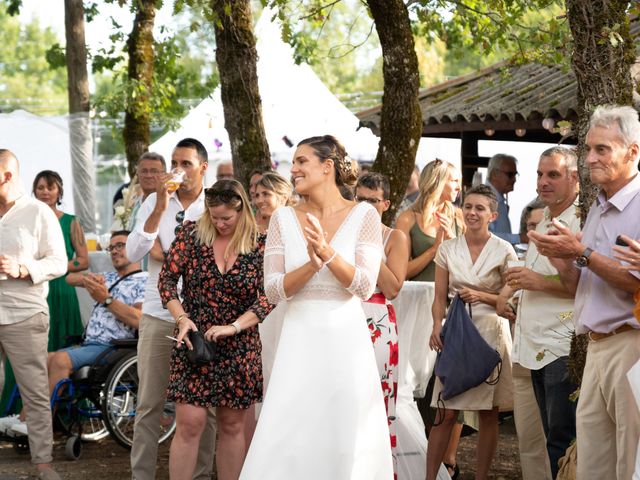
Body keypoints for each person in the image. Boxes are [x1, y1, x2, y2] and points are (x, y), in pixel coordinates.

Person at [241, 135, 393, 479]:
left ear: (327, 167)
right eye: (293, 162)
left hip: (346, 341)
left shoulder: (364, 215)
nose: (293, 169)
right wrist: (311, 264)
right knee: (290, 428)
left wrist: (328, 253)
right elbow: (273, 289)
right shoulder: (283, 218)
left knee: (345, 432)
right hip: (298, 339)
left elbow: (365, 285)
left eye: (301, 161)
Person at [528, 105, 640, 480]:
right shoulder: (596, 206)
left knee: (629, 461)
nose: (590, 158)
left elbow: (635, 284)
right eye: (589, 148)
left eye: (602, 149)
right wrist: (561, 257)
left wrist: (582, 253)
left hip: (631, 345)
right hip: (595, 346)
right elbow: (581, 285)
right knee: (592, 463)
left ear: (633, 152)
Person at [159, 179, 273, 480]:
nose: (220, 223)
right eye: (214, 216)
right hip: (195, 341)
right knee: (189, 423)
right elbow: (167, 282)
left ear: (242, 211)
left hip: (240, 344)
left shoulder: (261, 245)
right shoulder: (191, 235)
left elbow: (268, 298)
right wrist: (182, 318)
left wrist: (234, 327)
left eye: (227, 218)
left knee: (233, 426)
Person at [127, 138, 216, 480]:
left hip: (202, 318)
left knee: (202, 407)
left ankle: (202, 475)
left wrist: (170, 255)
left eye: (186, 163)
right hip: (158, 313)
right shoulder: (154, 199)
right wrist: (160, 208)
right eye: (174, 163)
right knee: (149, 403)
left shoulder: (214, 203)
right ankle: (142, 476)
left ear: (203, 168)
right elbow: (135, 251)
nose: (177, 170)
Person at [7, 230, 147, 436]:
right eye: (112, 247)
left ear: (136, 248)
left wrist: (106, 299)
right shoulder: (108, 277)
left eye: (121, 246)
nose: (115, 251)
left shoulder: (145, 281)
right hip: (91, 344)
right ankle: (23, 418)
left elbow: (139, 320)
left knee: (60, 360)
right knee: (43, 360)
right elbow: (70, 278)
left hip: (116, 347)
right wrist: (90, 280)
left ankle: (38, 426)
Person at [497, 147, 580, 479]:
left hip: (562, 346)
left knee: (563, 444)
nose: (543, 182)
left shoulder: (581, 220)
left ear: (574, 178)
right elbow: (542, 280)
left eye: (553, 175)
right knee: (548, 443)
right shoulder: (545, 217)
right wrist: (520, 294)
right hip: (533, 345)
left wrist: (536, 281)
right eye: (540, 174)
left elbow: (584, 286)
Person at [427, 184, 516, 480]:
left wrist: (484, 297)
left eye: (480, 208)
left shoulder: (504, 250)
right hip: (456, 330)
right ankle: (430, 477)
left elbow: (512, 297)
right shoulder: (447, 249)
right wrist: (436, 326)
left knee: (488, 413)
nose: (472, 213)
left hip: (491, 331)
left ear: (493, 214)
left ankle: (480, 477)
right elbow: (440, 296)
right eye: (468, 207)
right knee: (445, 409)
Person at [0, 149, 67, 480]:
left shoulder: (39, 213)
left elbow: (59, 263)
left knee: (34, 389)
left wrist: (22, 267)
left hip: (24, 314)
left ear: (7, 176)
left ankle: (42, 462)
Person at [0, 170, 88, 416]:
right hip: (28, 293)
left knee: (58, 345)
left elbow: (82, 260)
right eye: (40, 187)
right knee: (24, 358)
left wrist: (48, 265)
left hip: (61, 290)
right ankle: (15, 410)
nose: (45, 192)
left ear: (59, 191)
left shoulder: (71, 221)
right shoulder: (23, 216)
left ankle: (58, 412)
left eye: (50, 187)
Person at [356, 172, 407, 478]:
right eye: (359, 199)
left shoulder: (395, 237)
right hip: (346, 316)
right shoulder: (343, 231)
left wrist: (369, 247)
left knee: (376, 396)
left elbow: (392, 288)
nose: (364, 206)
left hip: (377, 320)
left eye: (372, 201)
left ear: (385, 203)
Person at [396, 159, 463, 282]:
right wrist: (433, 250)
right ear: (437, 182)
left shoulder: (459, 217)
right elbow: (401, 272)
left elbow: (469, 266)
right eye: (454, 181)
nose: (459, 187)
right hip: (420, 297)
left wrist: (451, 238)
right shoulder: (407, 219)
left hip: (453, 299)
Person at [485, 153, 527, 244]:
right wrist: (519, 238)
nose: (514, 179)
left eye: (515, 175)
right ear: (494, 174)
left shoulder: (496, 199)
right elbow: (482, 236)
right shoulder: (484, 198)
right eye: (510, 174)